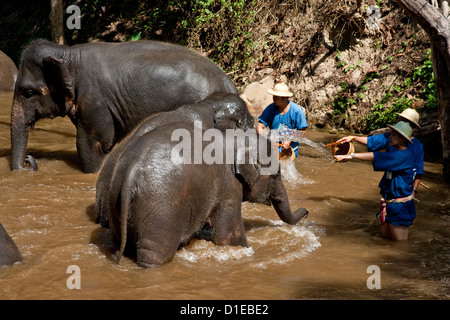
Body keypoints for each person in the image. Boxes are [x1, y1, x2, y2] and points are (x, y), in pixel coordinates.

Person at [334, 121, 417, 241]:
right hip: (389, 203)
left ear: (402, 139)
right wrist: (353, 138)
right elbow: (374, 144)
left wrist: (352, 156)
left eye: (393, 135)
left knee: (399, 245)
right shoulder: (397, 152)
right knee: (385, 241)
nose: (390, 137)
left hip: (400, 207)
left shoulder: (404, 156)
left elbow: (377, 156)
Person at [336, 108, 424, 197]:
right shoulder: (392, 137)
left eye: (403, 120)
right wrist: (352, 138)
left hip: (401, 189)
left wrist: (414, 191)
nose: (400, 121)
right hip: (390, 184)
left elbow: (418, 172)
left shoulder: (413, 148)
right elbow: (372, 141)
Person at [256, 81, 308, 157]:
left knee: (284, 161)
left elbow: (302, 130)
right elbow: (260, 125)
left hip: (290, 146)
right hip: (273, 143)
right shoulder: (271, 108)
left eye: (276, 97)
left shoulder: (297, 111)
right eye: (273, 96)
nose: (273, 98)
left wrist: (289, 140)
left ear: (283, 97)